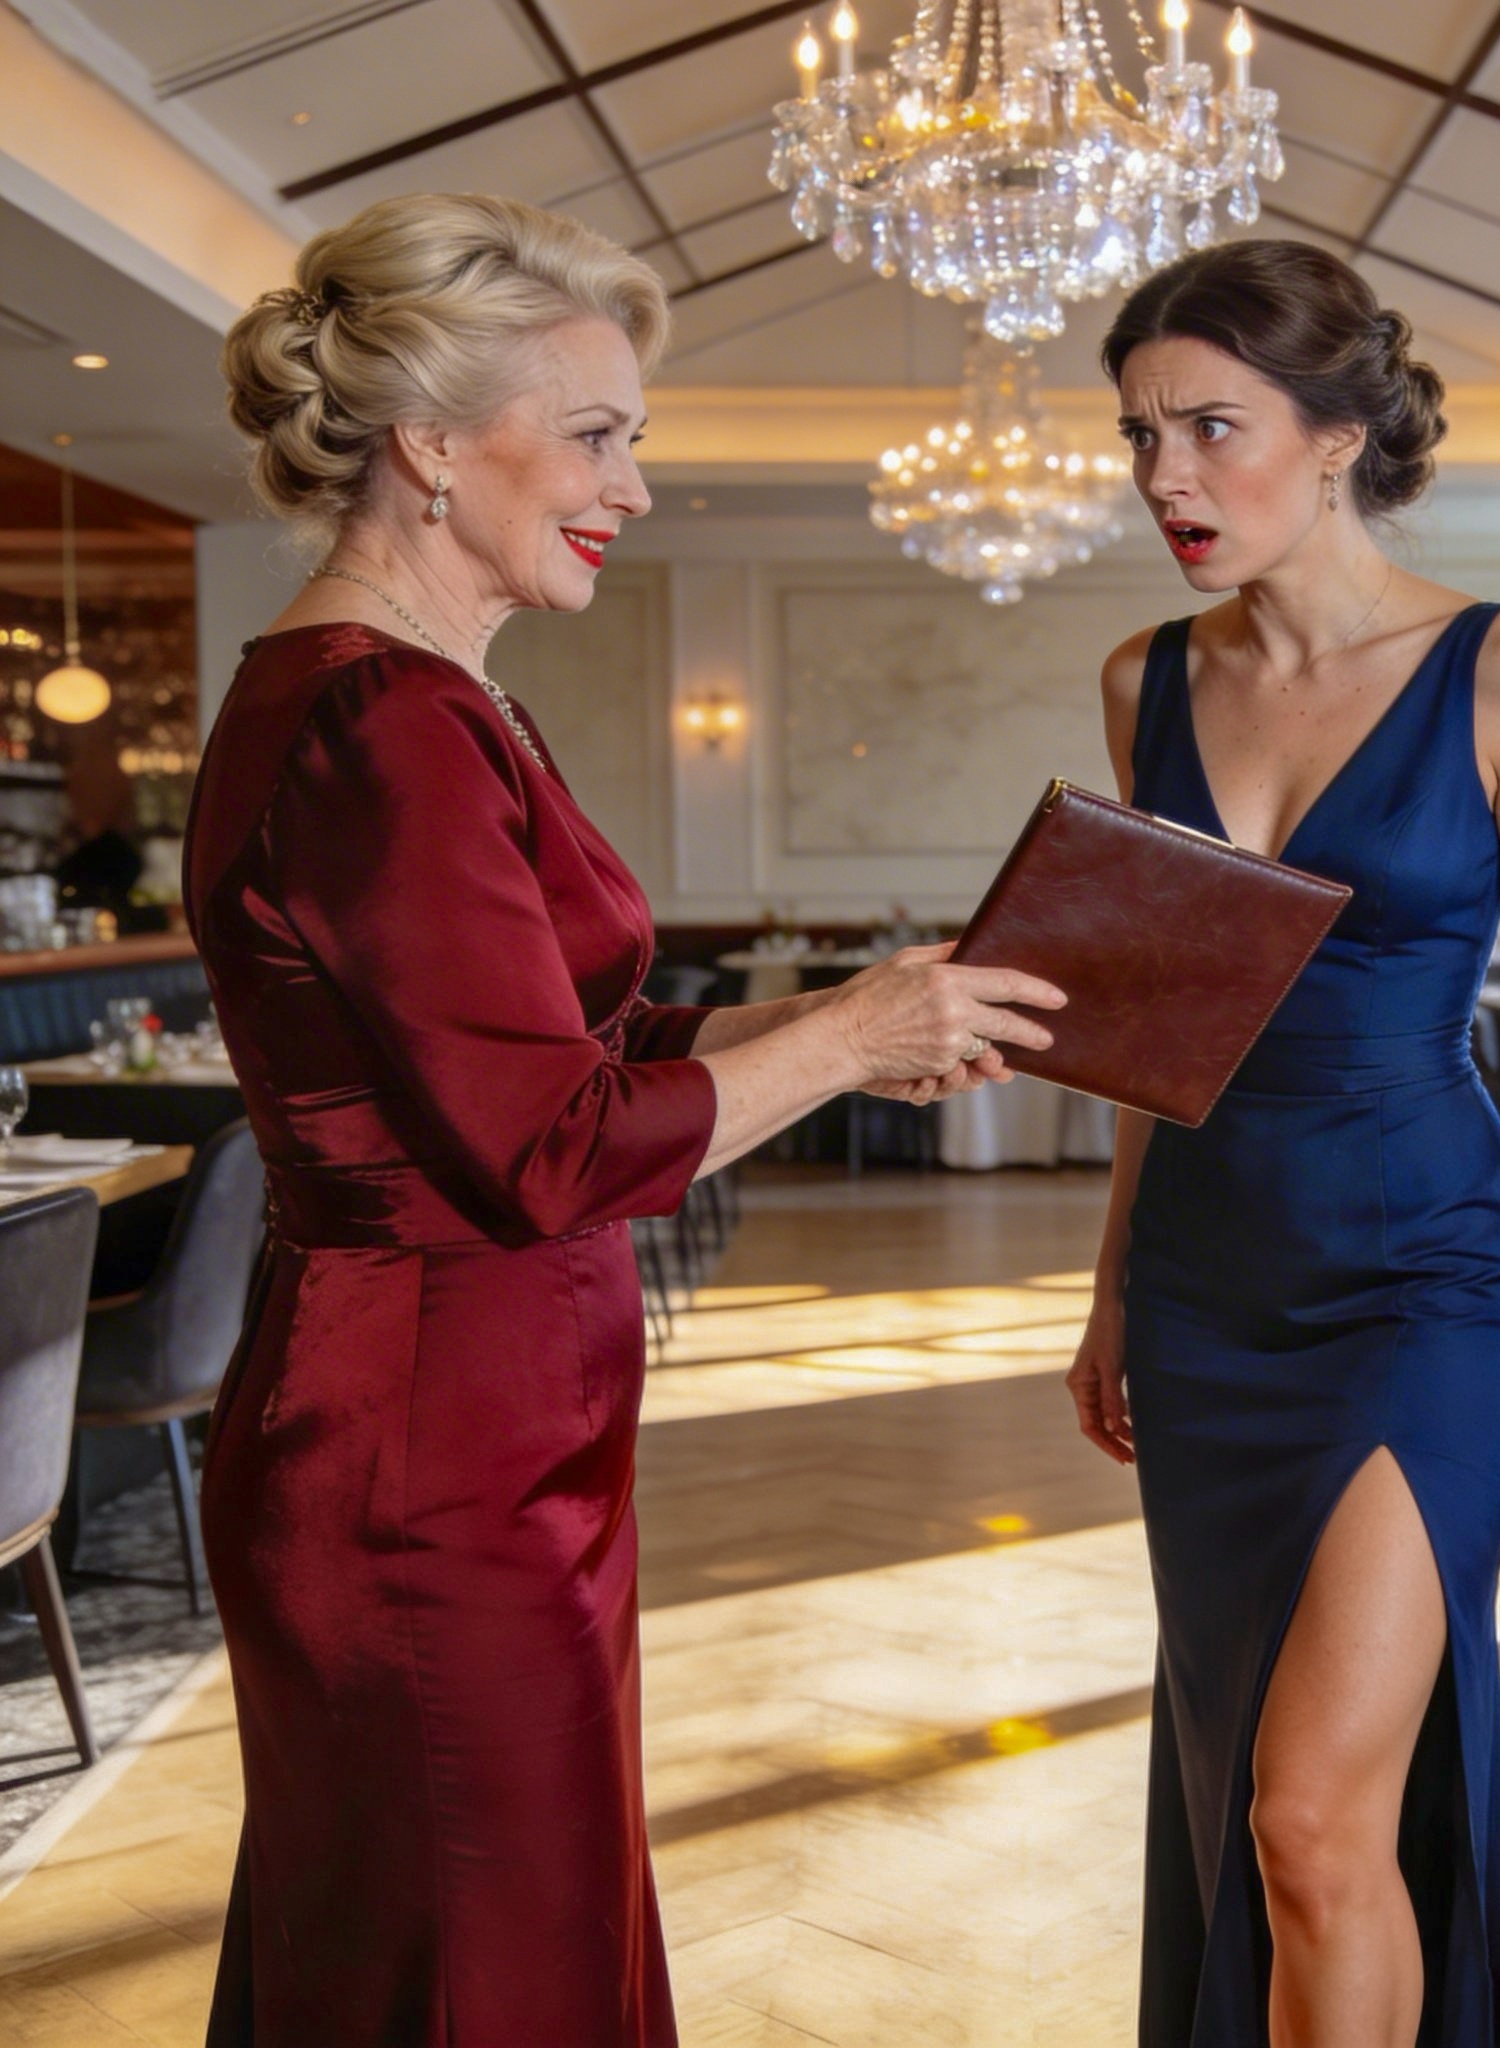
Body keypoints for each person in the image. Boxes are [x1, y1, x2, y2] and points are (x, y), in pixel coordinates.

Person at [193, 191, 1062, 2047]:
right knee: (472, 1961)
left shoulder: (435, 698)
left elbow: (584, 1042)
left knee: (481, 1933)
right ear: (433, 445)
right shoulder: (382, 721)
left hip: (487, 1425)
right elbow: (552, 1147)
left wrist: (846, 1023)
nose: (633, 487)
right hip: (425, 1451)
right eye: (594, 435)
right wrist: (848, 1039)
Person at [1065, 241, 1500, 2047]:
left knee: (1316, 1809)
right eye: (1141, 434)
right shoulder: (1143, 679)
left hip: (1424, 1279)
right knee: (1260, 1803)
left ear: (1336, 438)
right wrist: (1109, 1289)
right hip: (1202, 1289)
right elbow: (1162, 1035)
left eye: (1209, 428)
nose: (1164, 475)